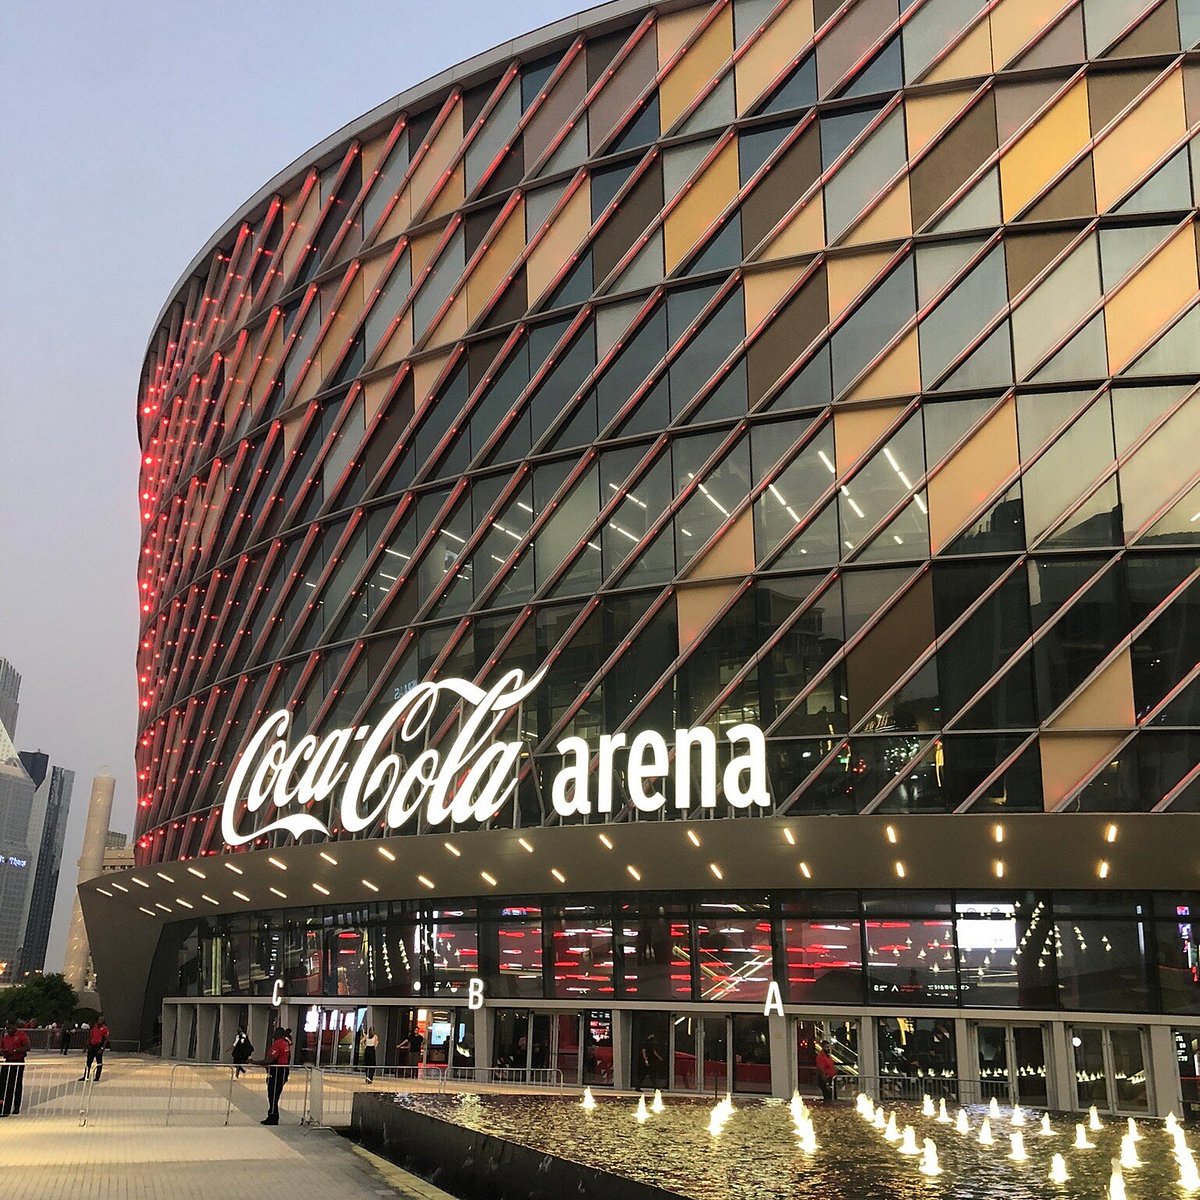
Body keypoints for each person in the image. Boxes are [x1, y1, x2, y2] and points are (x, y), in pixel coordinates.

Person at [256, 1027, 291, 1125]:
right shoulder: (286, 1043)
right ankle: (273, 1115)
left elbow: (270, 1059)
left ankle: (273, 1116)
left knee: (272, 1094)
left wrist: (255, 1062)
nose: (273, 1035)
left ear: (278, 1034)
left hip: (277, 1072)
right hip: (283, 1071)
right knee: (275, 1095)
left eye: (275, 1033)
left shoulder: (278, 1043)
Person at [0, 1021, 31, 1116]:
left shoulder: (21, 1035)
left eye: (9, 1028)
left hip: (18, 1061)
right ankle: (3, 1106)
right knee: (3, 1084)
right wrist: (3, 1051)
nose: (7, 1030)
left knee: (16, 1084)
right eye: (6, 1028)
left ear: (14, 1026)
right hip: (8, 1061)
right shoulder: (5, 1038)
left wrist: (14, 1050)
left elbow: (27, 1047)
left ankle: (16, 1106)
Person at [80, 1016, 110, 1083]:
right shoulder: (94, 1027)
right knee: (88, 1062)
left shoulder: (105, 1029)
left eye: (101, 1020)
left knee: (99, 1062)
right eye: (99, 1019)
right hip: (92, 1046)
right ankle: (86, 1076)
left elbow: (106, 1039)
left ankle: (97, 1077)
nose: (99, 1021)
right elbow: (90, 1036)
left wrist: (102, 1048)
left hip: (98, 1046)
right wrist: (86, 1046)